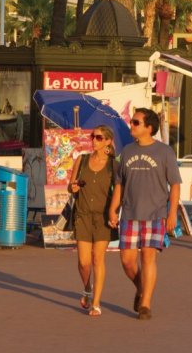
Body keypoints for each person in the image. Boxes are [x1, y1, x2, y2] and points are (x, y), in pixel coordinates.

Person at [108, 108, 181, 321]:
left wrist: (172, 213)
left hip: (155, 213)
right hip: (129, 213)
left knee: (148, 257)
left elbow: (175, 184)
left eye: (136, 122)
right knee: (127, 261)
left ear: (149, 128)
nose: (132, 125)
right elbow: (119, 184)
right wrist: (114, 209)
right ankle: (141, 288)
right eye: (132, 122)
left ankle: (146, 304)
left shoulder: (165, 152)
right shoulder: (127, 151)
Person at [68, 125, 117, 317]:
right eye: (92, 137)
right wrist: (72, 188)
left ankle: (96, 303)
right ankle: (87, 288)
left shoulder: (114, 165)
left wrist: (115, 212)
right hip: (83, 214)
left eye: (98, 137)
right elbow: (70, 185)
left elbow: (119, 191)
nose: (93, 140)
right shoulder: (82, 160)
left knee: (98, 258)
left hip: (103, 217)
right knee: (83, 262)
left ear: (107, 141)